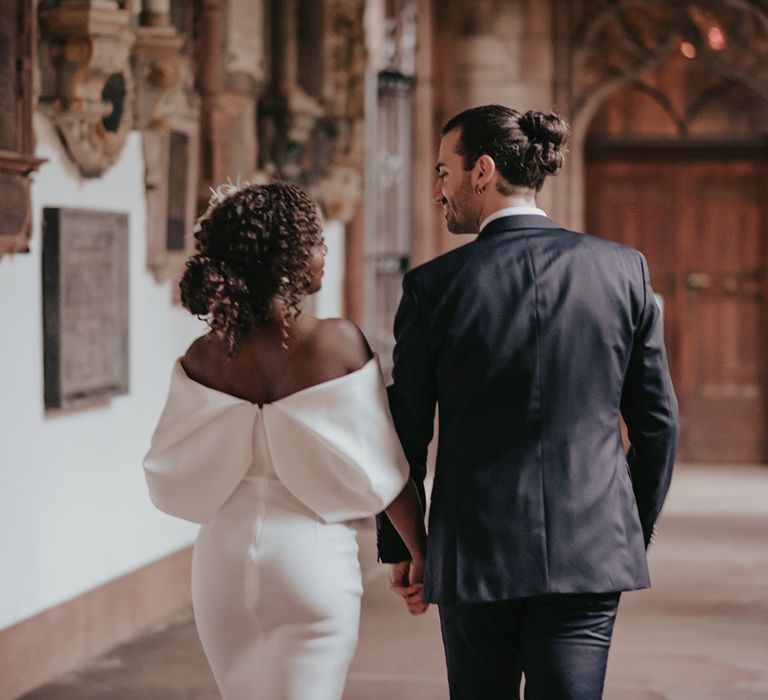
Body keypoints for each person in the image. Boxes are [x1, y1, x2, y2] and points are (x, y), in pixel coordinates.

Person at [376, 105, 679, 699]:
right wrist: (623, 533)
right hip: (590, 547)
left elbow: (402, 433)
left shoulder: (433, 288)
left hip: (474, 552)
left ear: (481, 171)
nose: (437, 190)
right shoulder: (623, 271)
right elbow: (659, 426)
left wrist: (407, 549)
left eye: (444, 171)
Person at [143, 181, 426, 700]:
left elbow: (170, 463)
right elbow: (387, 465)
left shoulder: (203, 355)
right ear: (288, 257)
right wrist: (419, 550)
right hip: (310, 559)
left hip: (221, 563)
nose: (324, 253)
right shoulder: (334, 341)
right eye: (315, 241)